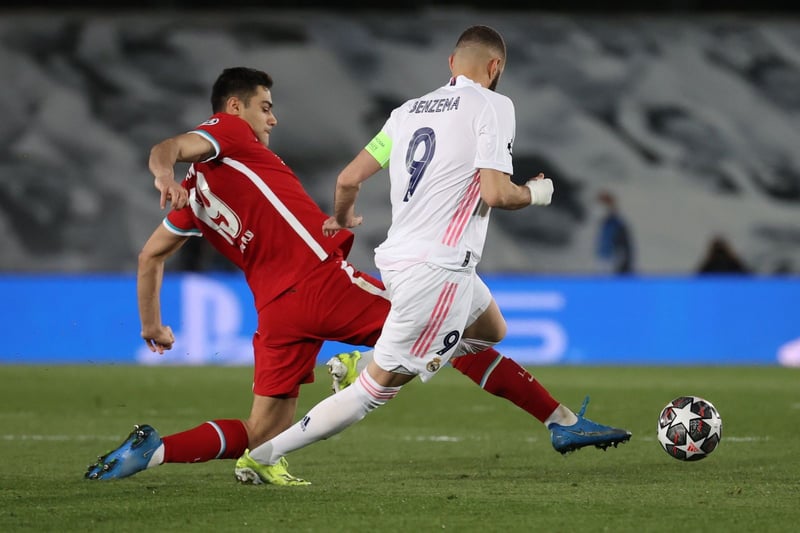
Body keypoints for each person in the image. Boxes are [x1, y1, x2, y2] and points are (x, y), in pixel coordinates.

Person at [84, 65, 629, 485]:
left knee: (260, 430)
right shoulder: (232, 134)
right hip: (320, 283)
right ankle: (555, 420)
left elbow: (150, 257)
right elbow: (169, 148)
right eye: (265, 107)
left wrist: (152, 324)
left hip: (277, 311)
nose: (272, 119)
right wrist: (162, 170)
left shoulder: (196, 201)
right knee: (455, 329)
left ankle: (154, 451)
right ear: (233, 107)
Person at [243, 26, 630, 475]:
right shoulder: (493, 104)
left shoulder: (406, 112)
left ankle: (560, 420)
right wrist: (536, 192)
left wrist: (345, 215)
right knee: (375, 391)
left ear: (450, 64)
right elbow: (496, 193)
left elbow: (348, 178)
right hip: (439, 268)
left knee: (489, 329)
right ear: (495, 67)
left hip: (403, 258)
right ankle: (264, 455)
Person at [595, 190, 635, 274]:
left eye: (604, 206)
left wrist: (622, 265)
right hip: (602, 262)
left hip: (613, 264)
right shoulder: (603, 224)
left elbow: (624, 250)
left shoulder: (618, 225)